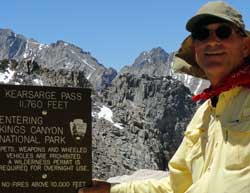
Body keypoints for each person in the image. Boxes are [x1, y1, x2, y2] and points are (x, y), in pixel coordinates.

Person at [79, 1, 250, 193]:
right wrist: (112, 190)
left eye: (223, 32)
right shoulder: (203, 114)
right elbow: (176, 186)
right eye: (202, 35)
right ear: (195, 49)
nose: (212, 41)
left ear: (245, 46)